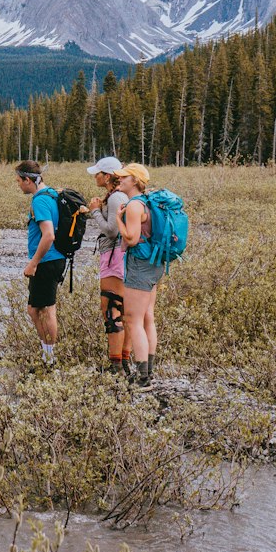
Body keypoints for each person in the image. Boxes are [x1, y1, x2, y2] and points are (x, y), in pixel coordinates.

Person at [114, 162, 162, 385]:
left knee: (133, 320)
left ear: (134, 180)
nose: (120, 180)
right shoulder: (148, 202)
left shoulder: (134, 205)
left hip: (140, 264)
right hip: (154, 263)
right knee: (147, 317)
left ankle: (143, 377)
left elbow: (131, 238)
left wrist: (117, 220)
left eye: (124, 177)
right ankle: (148, 371)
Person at [14, 160, 66, 366]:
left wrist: (33, 263)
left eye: (19, 181)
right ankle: (48, 355)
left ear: (28, 180)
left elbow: (48, 235)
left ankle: (49, 359)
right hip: (53, 260)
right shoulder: (52, 194)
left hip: (46, 261)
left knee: (41, 310)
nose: (18, 185)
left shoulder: (40, 201)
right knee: (39, 309)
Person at [85, 156, 131, 375]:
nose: (95, 176)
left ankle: (116, 366)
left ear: (108, 176)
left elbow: (112, 230)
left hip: (113, 258)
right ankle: (123, 361)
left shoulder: (115, 198)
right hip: (118, 257)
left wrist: (95, 210)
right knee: (122, 310)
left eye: (99, 173)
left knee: (112, 309)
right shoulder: (118, 196)